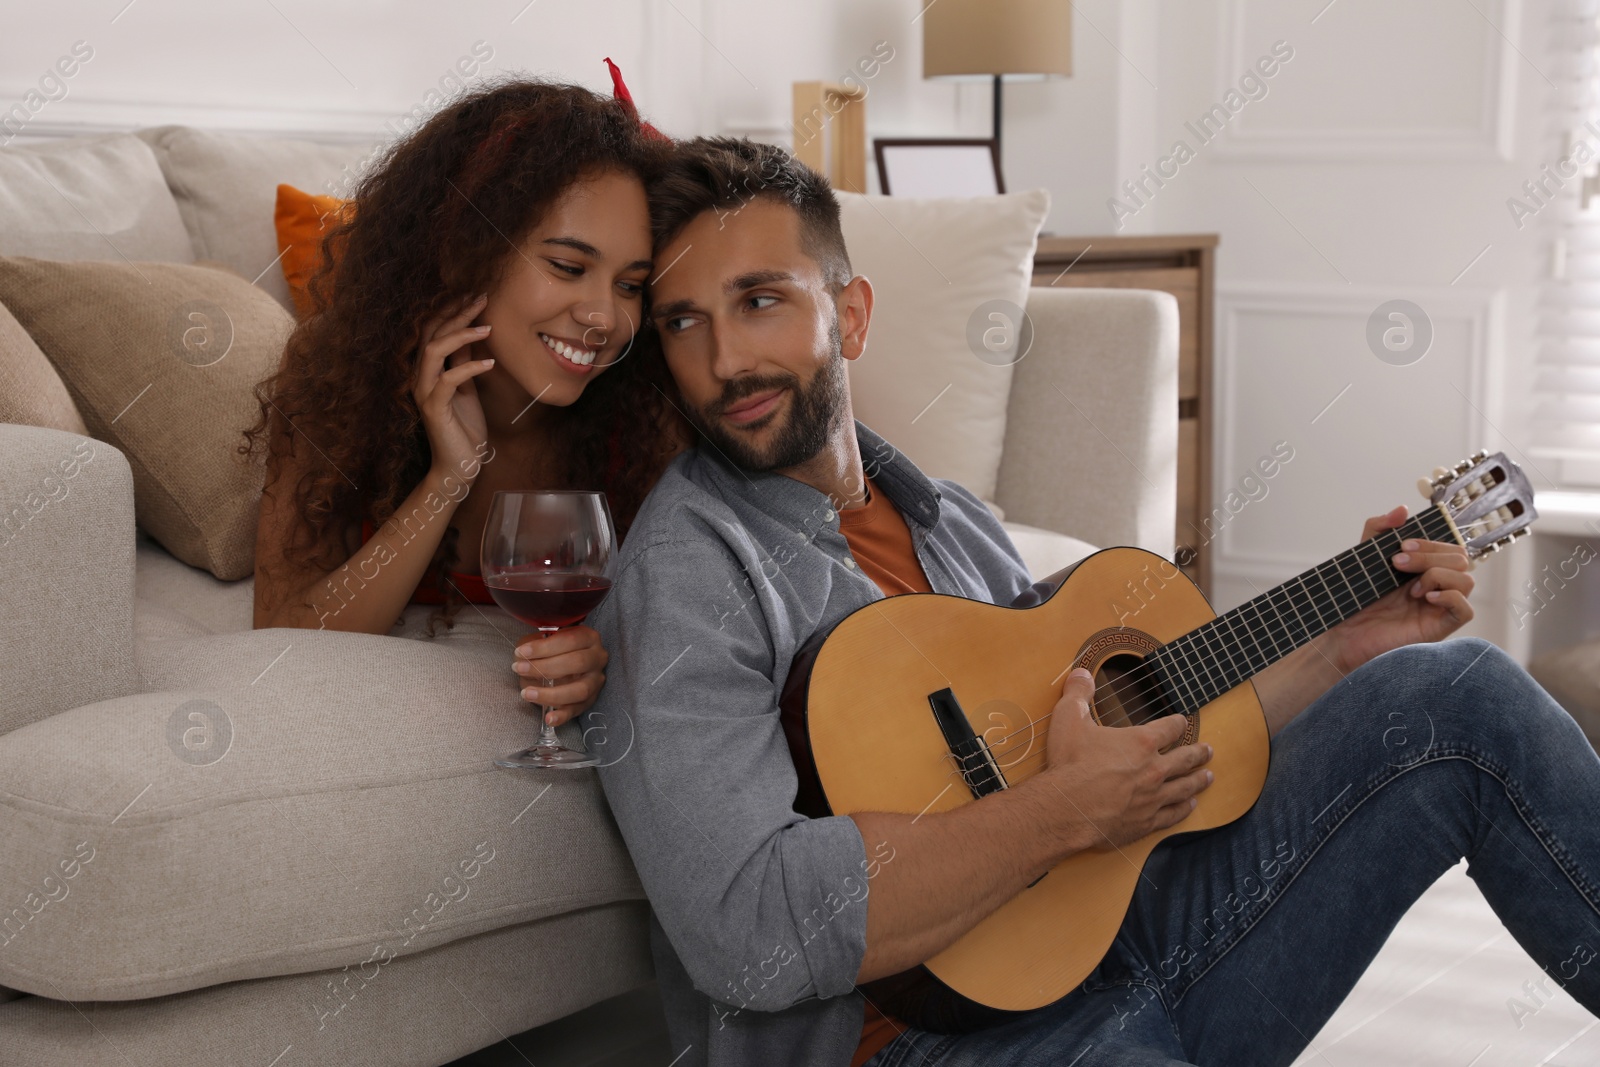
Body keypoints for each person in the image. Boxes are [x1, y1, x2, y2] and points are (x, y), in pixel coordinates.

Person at [577, 135, 1600, 1067]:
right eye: (684, 321)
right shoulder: (687, 571)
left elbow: (1143, 736)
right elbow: (744, 930)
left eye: (761, 300)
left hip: (1108, 953)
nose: (725, 360)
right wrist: (1057, 811)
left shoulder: (949, 521)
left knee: (1453, 689)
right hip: (910, 1043)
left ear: (848, 315)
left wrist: (1338, 649)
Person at [243, 74, 690, 729]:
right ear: (467, 249)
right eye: (568, 266)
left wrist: (610, 659)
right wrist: (448, 477)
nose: (603, 316)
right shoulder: (341, 377)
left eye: (630, 285)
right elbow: (283, 634)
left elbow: (694, 639)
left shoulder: (650, 408)